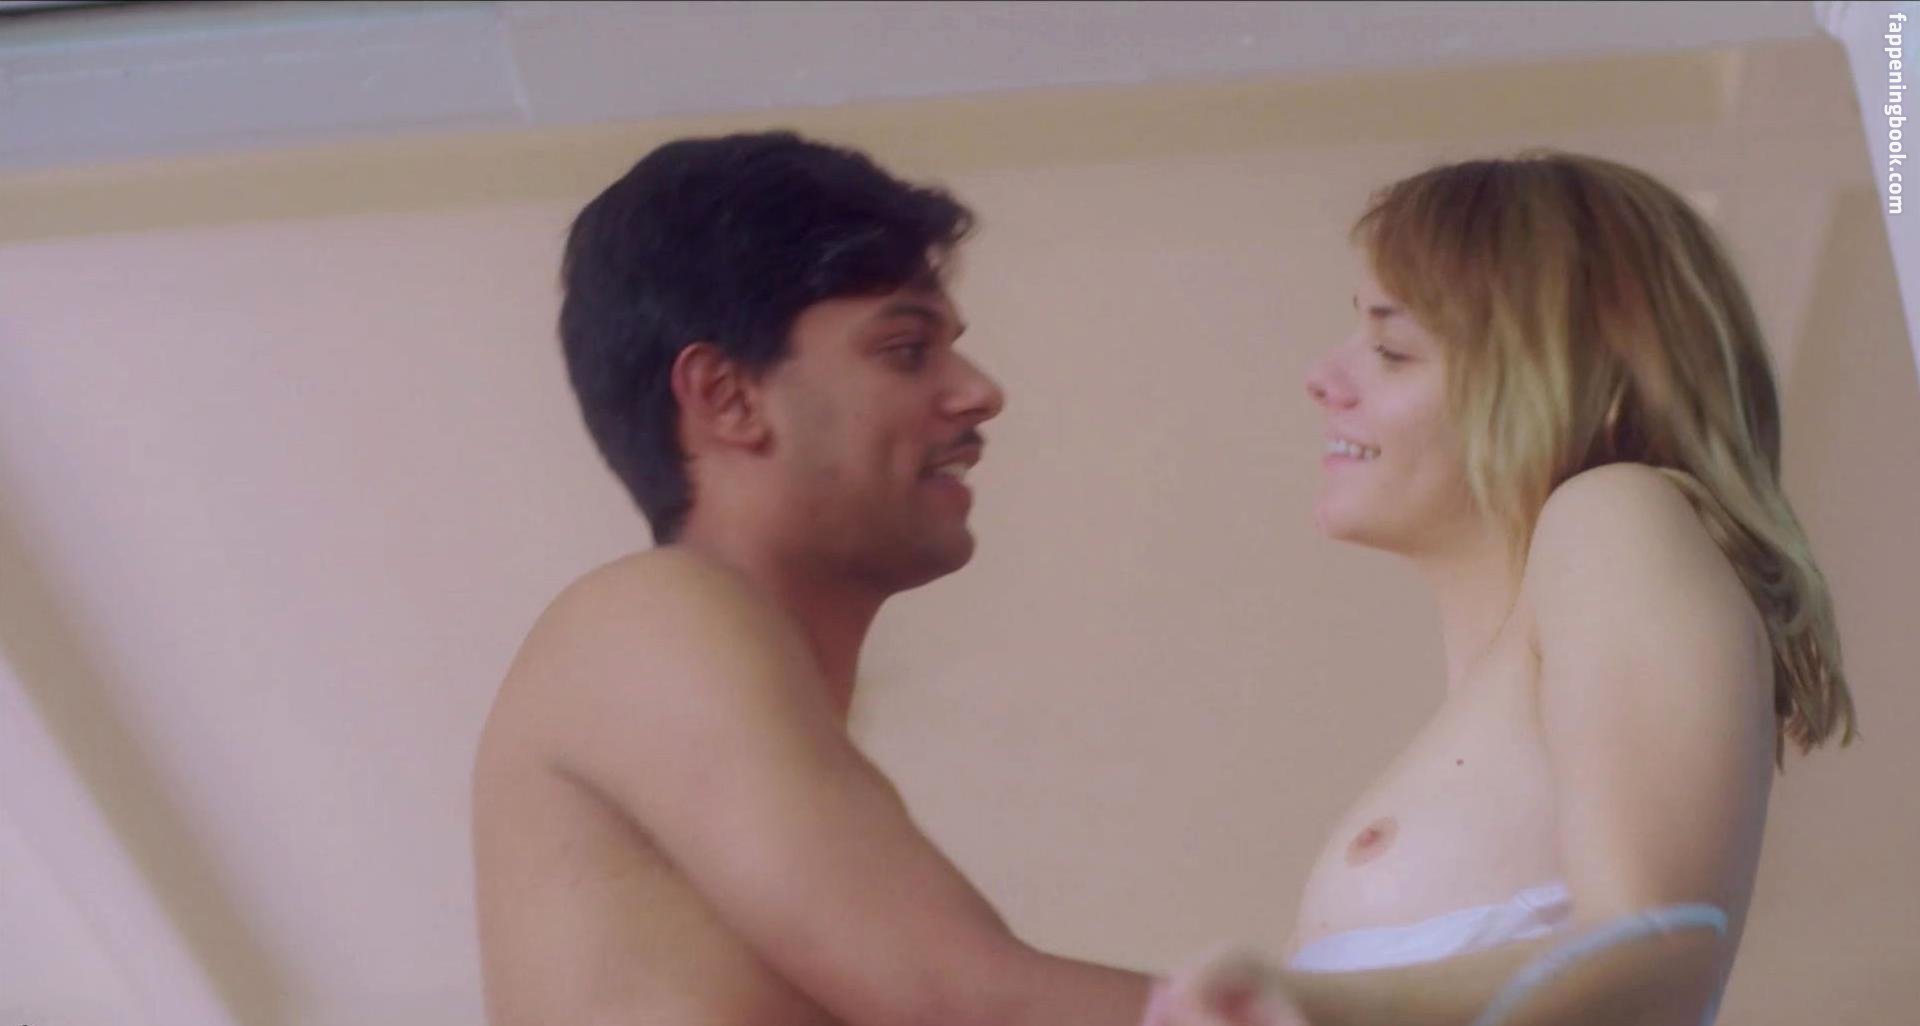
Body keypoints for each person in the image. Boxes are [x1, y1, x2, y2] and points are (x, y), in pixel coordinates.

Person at [471, 131, 1163, 1026]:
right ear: (727, 397)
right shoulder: (648, 615)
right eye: (906, 349)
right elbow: (963, 999)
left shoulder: (720, 673)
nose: (978, 391)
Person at [1152, 151, 1859, 1026]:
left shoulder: (1615, 512)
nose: (1322, 378)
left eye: (1392, 349)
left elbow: (1664, 953)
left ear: (1582, 380)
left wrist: (1319, 1005)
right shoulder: (1489, 699)